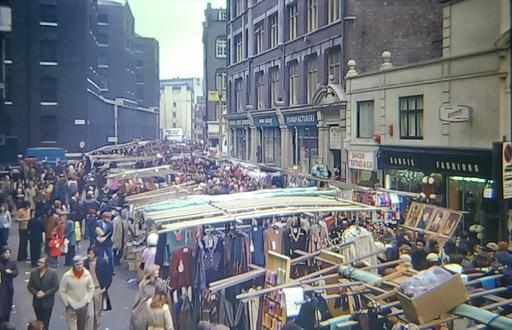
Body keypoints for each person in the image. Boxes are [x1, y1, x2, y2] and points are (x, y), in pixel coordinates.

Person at [59, 255, 94, 330]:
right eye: (77, 264)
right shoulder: (67, 276)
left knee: (83, 327)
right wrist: (67, 303)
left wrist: (88, 300)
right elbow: (62, 291)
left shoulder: (87, 274)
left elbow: (91, 288)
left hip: (84, 305)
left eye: (81, 264)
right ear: (73, 265)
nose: (80, 266)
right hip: (71, 306)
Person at [27, 256, 60, 330]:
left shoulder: (52, 273)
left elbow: (55, 287)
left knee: (45, 322)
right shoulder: (33, 273)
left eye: (41, 262)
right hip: (37, 302)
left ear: (46, 264)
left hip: (47, 303)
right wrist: (36, 293)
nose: (39, 264)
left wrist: (45, 293)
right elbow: (30, 286)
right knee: (38, 321)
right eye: (39, 262)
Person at [84, 246, 112, 330]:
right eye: (89, 253)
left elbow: (108, 276)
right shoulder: (85, 263)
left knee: (97, 313)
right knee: (89, 314)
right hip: (88, 290)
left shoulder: (102, 262)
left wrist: (105, 288)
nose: (90, 255)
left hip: (98, 290)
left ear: (95, 253)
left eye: (91, 253)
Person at [129, 264, 161, 330]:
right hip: (144, 309)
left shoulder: (158, 282)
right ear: (151, 272)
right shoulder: (144, 284)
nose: (158, 271)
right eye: (156, 270)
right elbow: (139, 298)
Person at [0, 246, 19, 323]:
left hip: (8, 286)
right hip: (1, 285)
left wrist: (11, 272)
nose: (7, 254)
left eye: (9, 253)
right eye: (6, 253)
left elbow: (16, 272)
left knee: (8, 302)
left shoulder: (12, 262)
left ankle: (6, 317)